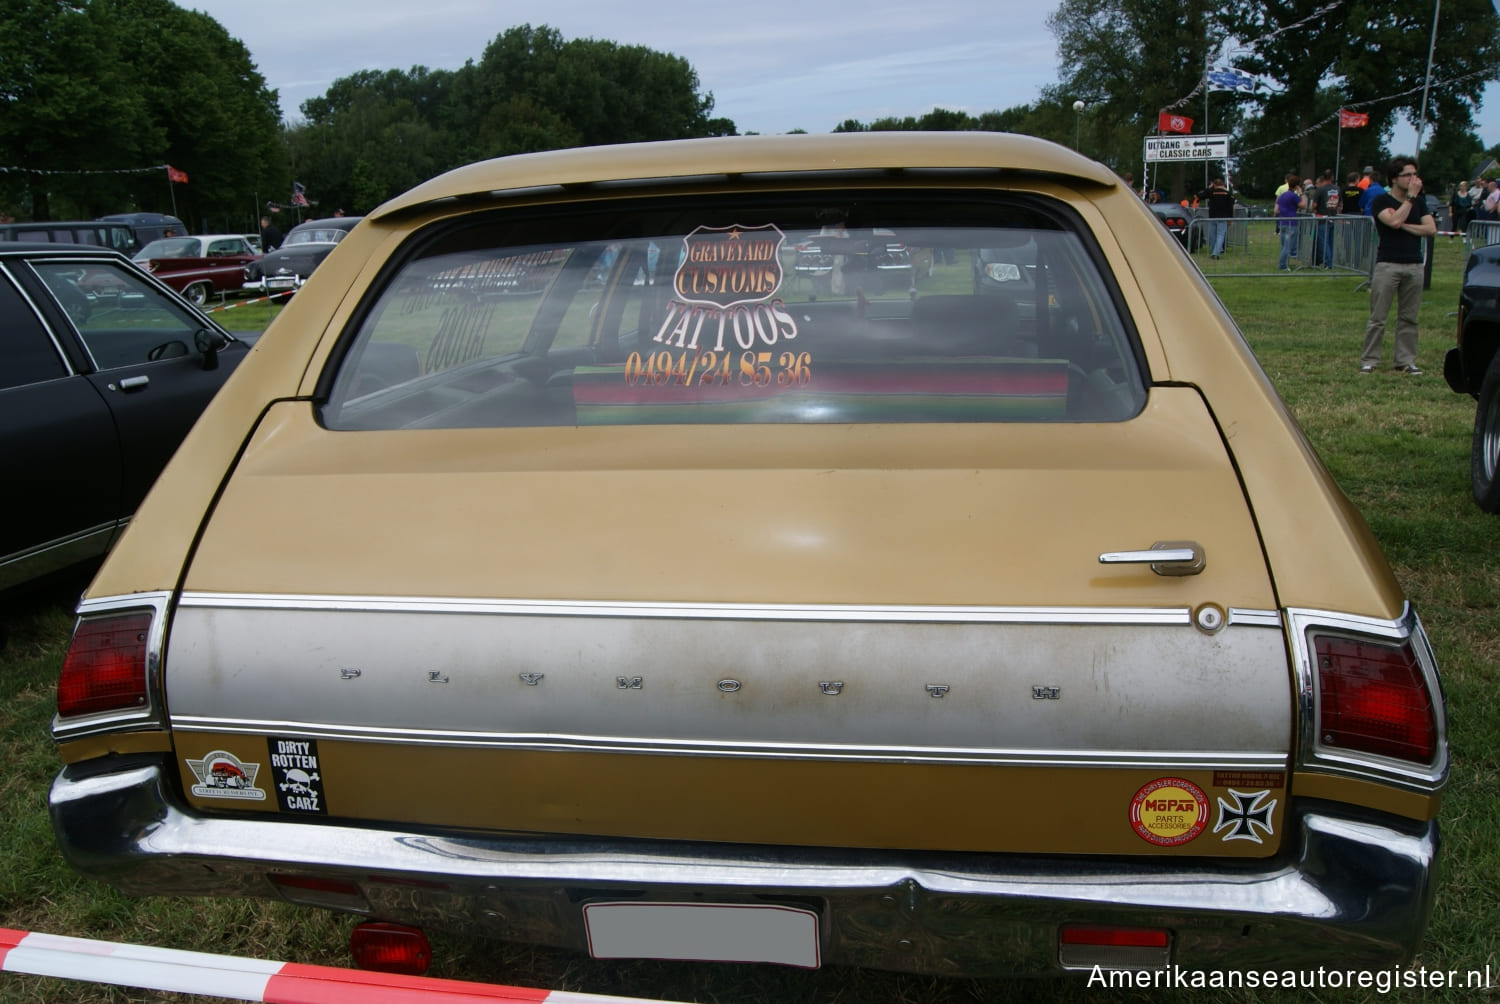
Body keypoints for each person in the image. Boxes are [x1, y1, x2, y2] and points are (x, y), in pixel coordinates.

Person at [1360, 156, 1435, 375]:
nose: (1413, 179)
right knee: (1378, 318)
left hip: (1413, 265)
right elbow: (1392, 221)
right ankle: (1369, 360)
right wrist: (1409, 199)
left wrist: (1404, 224)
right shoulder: (1382, 201)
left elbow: (1430, 229)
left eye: (1415, 174)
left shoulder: (1421, 203)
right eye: (1407, 175)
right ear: (1394, 178)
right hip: (1388, 264)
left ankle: (1405, 360)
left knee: (1409, 317)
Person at [1198, 176, 1235, 259]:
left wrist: (1208, 188)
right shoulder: (1229, 194)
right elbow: (1231, 207)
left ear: (1214, 184)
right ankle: (1216, 252)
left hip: (1213, 216)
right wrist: (1230, 218)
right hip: (1224, 217)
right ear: (1223, 184)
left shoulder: (1212, 192)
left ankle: (1215, 251)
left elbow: (1200, 196)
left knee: (1212, 235)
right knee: (1221, 235)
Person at [1275, 173, 1305, 270]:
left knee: (1284, 245)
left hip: (1282, 222)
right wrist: (1301, 193)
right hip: (1291, 223)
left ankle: (1283, 263)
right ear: (1296, 186)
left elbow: (1276, 209)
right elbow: (1303, 205)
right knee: (1288, 246)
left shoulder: (1282, 196)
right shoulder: (1293, 196)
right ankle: (1282, 265)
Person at [1311, 170, 1340, 267]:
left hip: (1322, 218)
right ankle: (1330, 262)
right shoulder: (1337, 189)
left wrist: (1314, 209)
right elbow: (1340, 204)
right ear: (1332, 177)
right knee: (1331, 242)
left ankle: (1328, 263)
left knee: (1323, 242)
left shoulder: (1320, 189)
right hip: (1333, 216)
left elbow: (1314, 205)